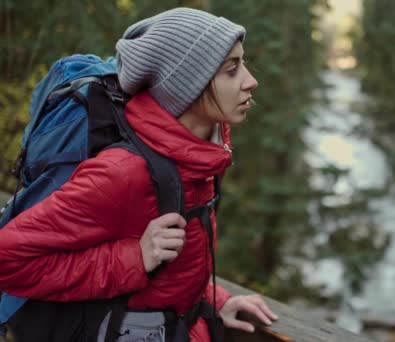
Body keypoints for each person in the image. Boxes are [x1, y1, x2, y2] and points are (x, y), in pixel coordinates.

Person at [0, 7, 277, 342]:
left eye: (242, 63)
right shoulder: (123, 173)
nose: (251, 80)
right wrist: (133, 258)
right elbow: (7, 260)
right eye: (231, 70)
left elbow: (176, 265)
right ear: (187, 86)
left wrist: (215, 300)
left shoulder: (203, 152)